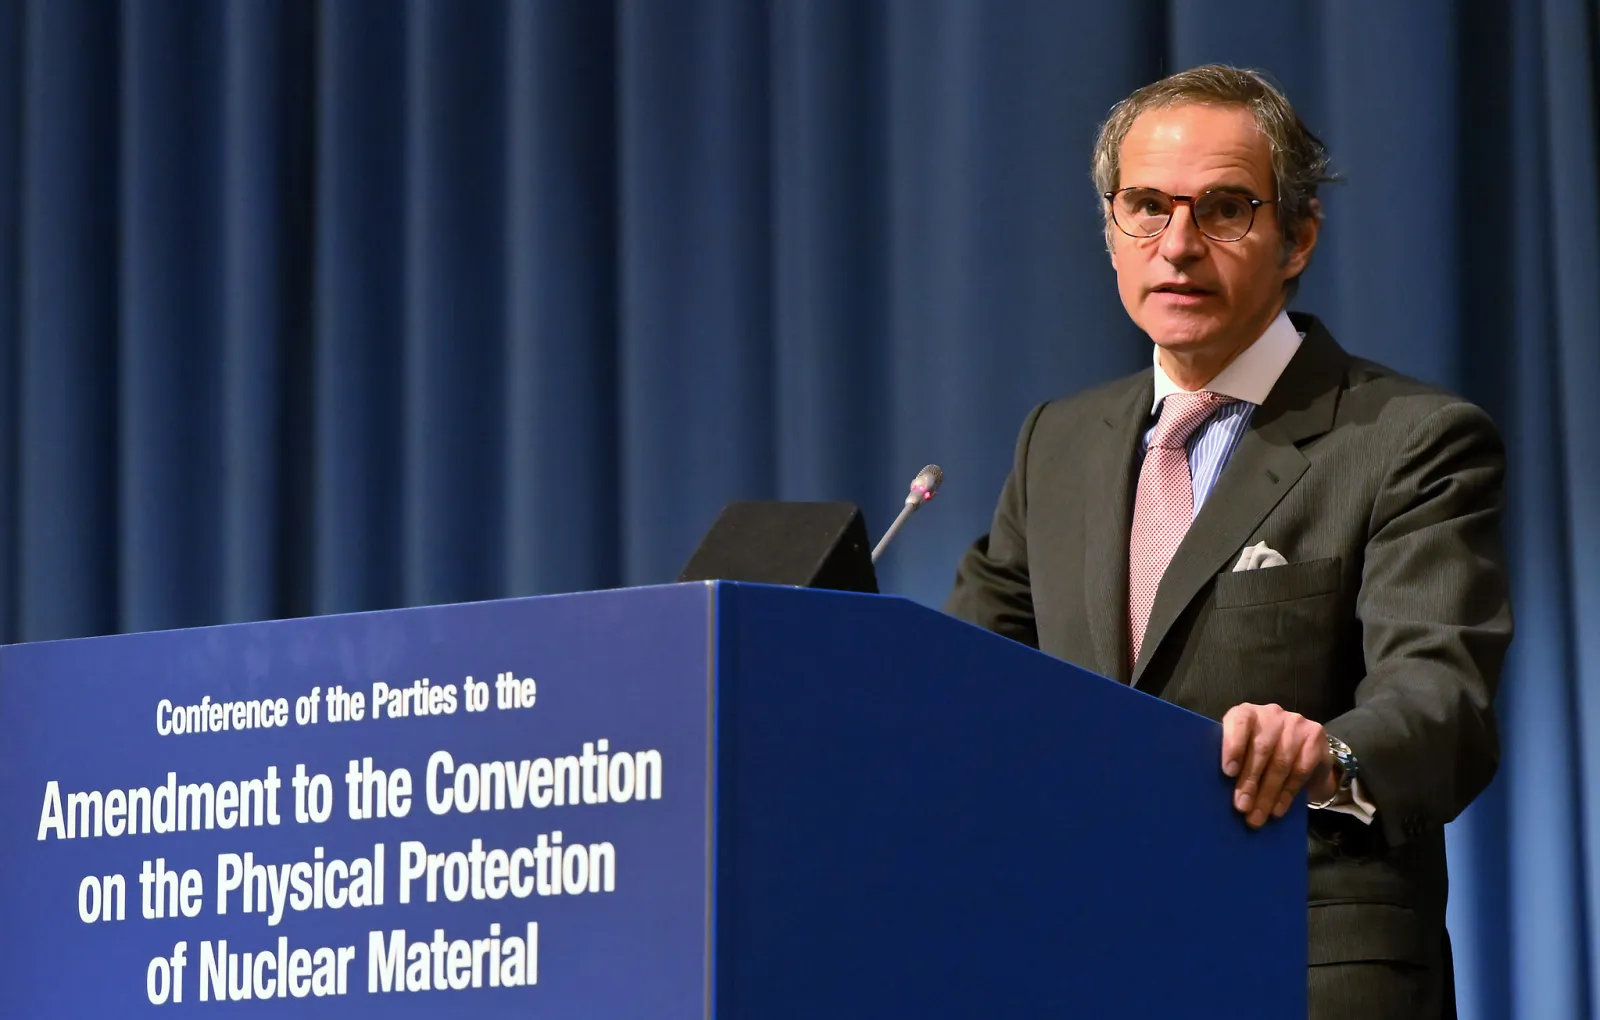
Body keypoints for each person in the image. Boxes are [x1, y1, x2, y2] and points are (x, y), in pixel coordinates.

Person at [945, 65, 1510, 1019]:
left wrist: (1329, 753)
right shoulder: (1059, 443)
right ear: (1111, 230)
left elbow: (1440, 702)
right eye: (1146, 208)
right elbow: (963, 679)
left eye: (1224, 210)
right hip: (1074, 959)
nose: (1178, 246)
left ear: (1299, 238)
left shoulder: (1410, 439)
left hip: (1298, 958)